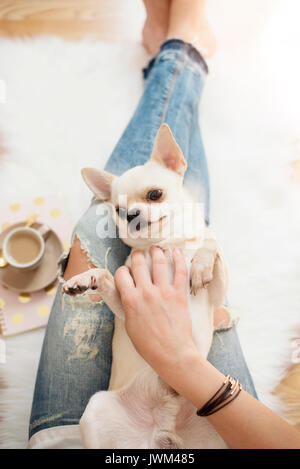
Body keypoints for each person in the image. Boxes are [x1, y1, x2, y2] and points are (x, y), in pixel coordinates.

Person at [28, 0, 300, 449]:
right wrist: (182, 360)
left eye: (145, 199)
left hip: (114, 426)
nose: (130, 213)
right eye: (128, 208)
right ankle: (181, 49)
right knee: (182, 215)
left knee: (108, 216)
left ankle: (175, 52)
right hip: (214, 420)